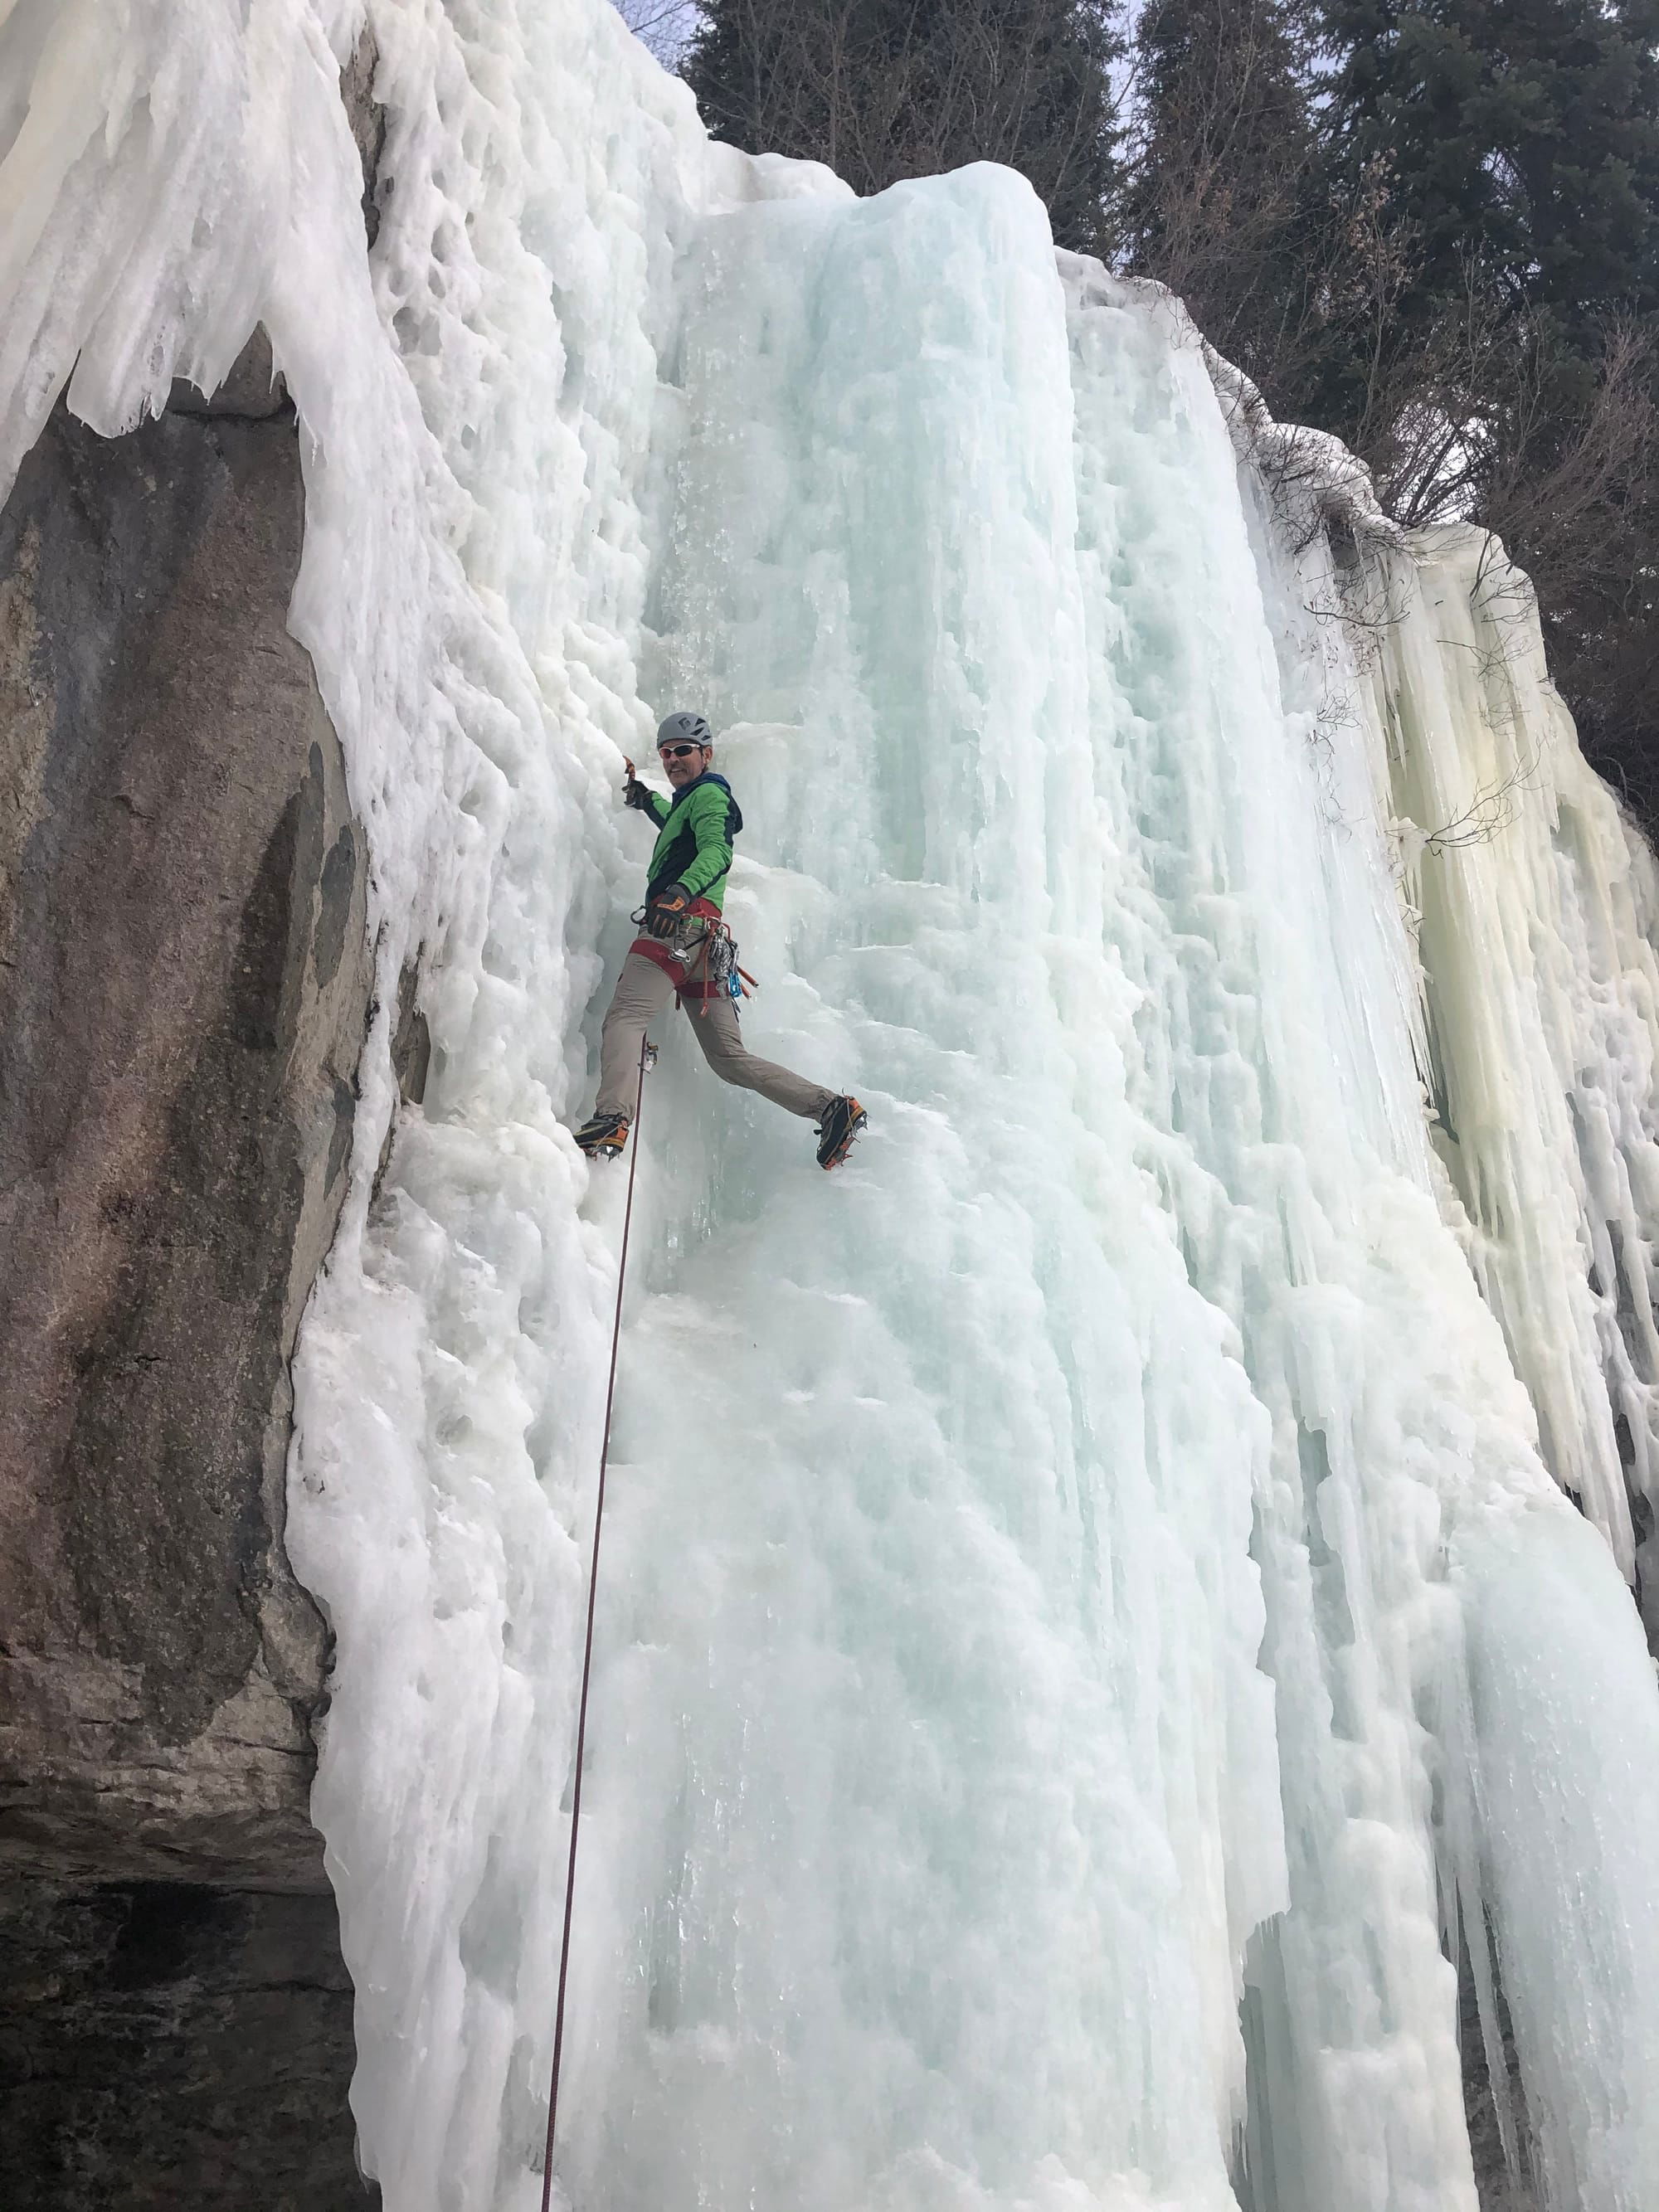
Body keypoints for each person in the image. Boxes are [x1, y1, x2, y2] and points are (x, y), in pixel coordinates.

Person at [575, 712, 866, 1169]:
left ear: (706, 754)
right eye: (666, 752)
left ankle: (612, 1117)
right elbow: (677, 827)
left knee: (626, 1018)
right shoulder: (693, 800)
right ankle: (830, 1107)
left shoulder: (710, 795)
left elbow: (716, 850)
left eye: (683, 751)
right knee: (729, 1059)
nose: (672, 759)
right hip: (705, 947)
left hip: (676, 929)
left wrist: (678, 894)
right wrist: (644, 799)